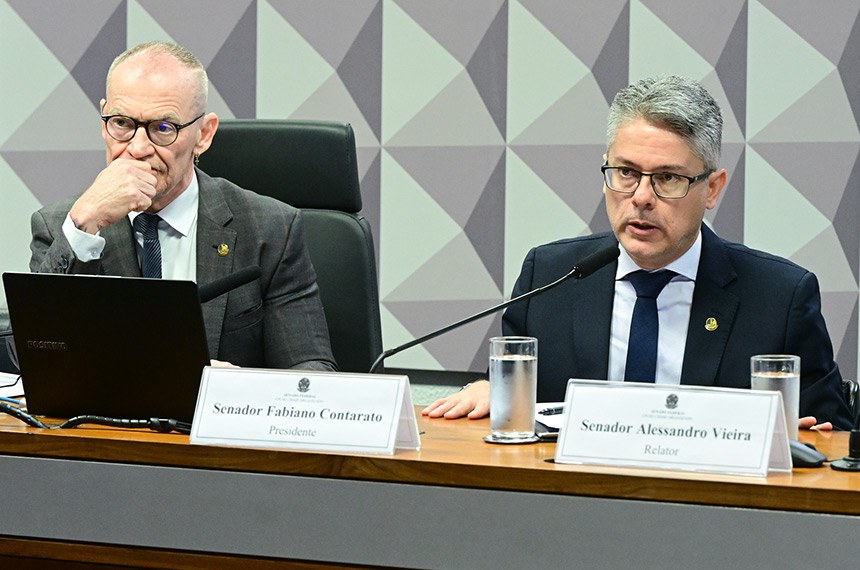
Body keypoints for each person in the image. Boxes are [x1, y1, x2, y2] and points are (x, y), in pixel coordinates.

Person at [423, 75, 854, 430]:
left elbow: (834, 438)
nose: (641, 197)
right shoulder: (550, 277)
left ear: (713, 189)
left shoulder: (779, 298)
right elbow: (518, 409)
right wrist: (490, 391)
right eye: (626, 172)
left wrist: (811, 441)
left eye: (668, 178)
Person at [29, 41, 336, 372]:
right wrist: (83, 225)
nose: (138, 148)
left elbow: (312, 372)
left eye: (163, 128)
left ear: (203, 134)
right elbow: (30, 359)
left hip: (217, 423)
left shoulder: (270, 229)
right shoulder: (61, 225)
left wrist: (242, 389)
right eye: (121, 123)